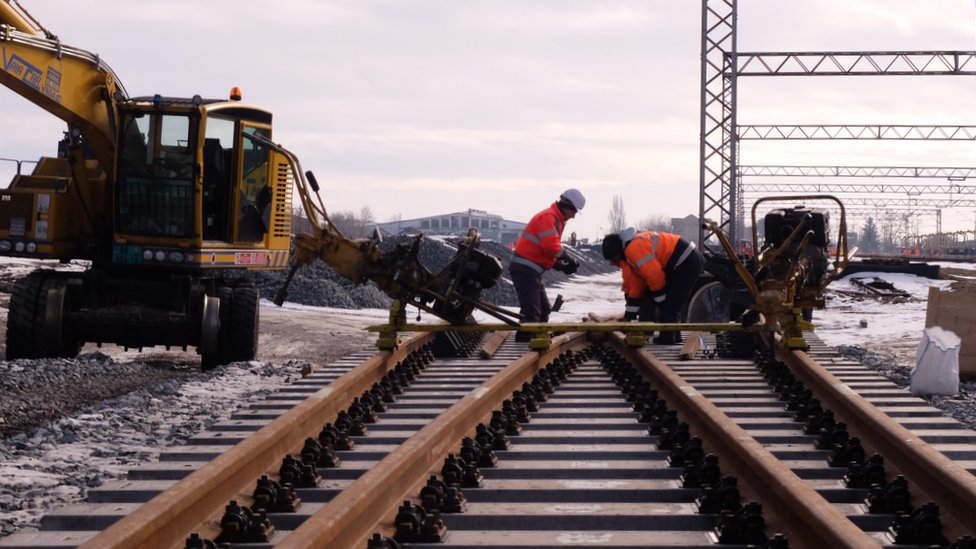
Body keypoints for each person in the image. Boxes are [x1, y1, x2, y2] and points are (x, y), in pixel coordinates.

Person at [601, 227, 704, 344]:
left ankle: (667, 339)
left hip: (686, 261)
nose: (612, 263)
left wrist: (660, 298)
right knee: (669, 304)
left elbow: (654, 275)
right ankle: (674, 336)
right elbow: (637, 284)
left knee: (670, 304)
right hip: (682, 260)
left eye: (612, 259)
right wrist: (630, 314)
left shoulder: (633, 249)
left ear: (618, 253)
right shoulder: (631, 254)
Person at [509, 188, 586, 341]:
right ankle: (523, 348)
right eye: (574, 212)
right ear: (567, 206)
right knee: (532, 314)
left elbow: (544, 251)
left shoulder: (554, 219)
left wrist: (560, 266)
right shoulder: (548, 217)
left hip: (530, 271)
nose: (574, 216)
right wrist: (568, 259)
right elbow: (551, 246)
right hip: (525, 270)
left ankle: (535, 343)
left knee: (543, 310)